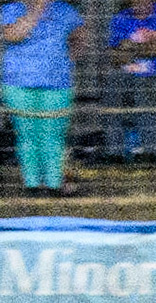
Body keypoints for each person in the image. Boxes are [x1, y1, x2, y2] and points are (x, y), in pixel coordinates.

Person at [1, 0, 84, 195]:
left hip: (58, 84)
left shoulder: (65, 10)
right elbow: (13, 35)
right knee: (27, 134)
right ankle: (32, 184)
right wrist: (36, 11)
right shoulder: (10, 10)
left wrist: (68, 59)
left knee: (53, 134)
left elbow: (80, 36)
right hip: (18, 83)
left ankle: (54, 183)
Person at [104, 0, 156, 160]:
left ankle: (153, 152)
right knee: (112, 84)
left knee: (143, 86)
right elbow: (115, 58)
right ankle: (113, 153)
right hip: (130, 76)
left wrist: (128, 45)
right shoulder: (121, 18)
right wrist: (149, 42)